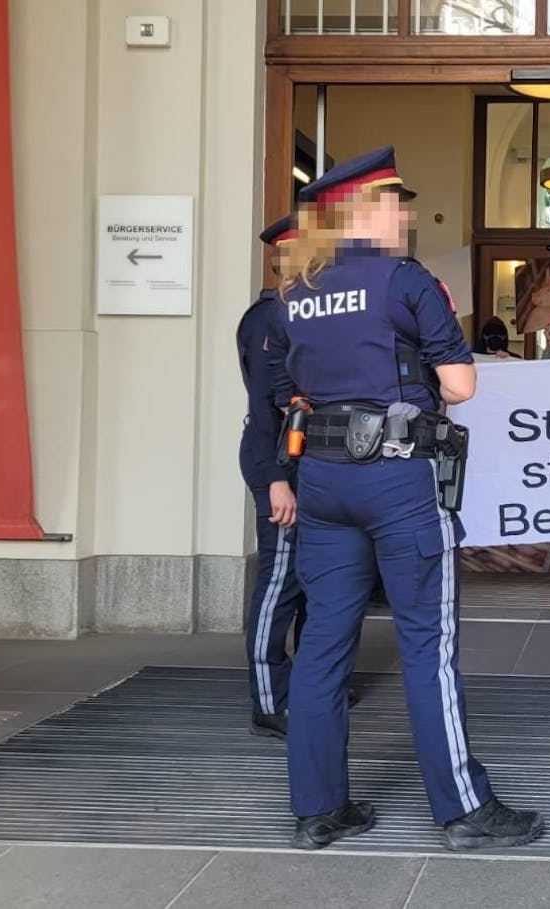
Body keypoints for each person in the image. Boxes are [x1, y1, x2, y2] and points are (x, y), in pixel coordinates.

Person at [265, 146, 544, 852]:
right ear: (364, 211)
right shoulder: (406, 281)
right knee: (427, 642)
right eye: (396, 203)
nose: (408, 214)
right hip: (397, 478)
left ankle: (318, 808)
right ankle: (463, 810)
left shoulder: (299, 290)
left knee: (326, 641)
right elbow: (461, 387)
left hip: (324, 480)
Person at [236, 215, 306, 739]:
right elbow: (265, 408)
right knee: (280, 581)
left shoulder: (302, 311)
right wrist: (276, 478)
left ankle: (305, 682)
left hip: (307, 460)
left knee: (310, 580)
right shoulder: (269, 317)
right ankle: (270, 698)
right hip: (277, 459)